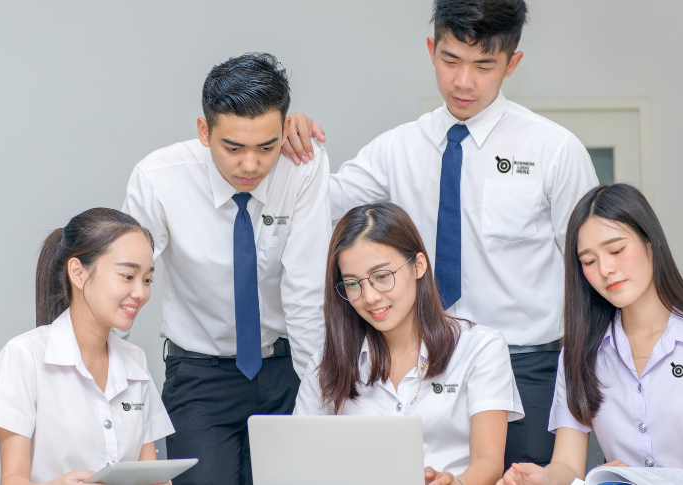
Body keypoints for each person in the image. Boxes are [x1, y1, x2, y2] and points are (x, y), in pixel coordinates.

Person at [281, 0, 598, 467]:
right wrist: (289, 144)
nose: (463, 81)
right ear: (431, 50)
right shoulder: (398, 148)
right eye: (450, 61)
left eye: (483, 65)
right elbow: (317, 204)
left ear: (513, 64)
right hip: (431, 365)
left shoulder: (554, 150)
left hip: (529, 366)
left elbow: (588, 265)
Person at [122, 53, 331, 485]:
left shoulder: (303, 168)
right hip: (199, 375)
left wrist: (321, 399)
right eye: (233, 148)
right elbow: (123, 281)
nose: (250, 165)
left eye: (266, 146)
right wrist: (101, 383)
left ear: (284, 128)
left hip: (283, 368)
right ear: (204, 131)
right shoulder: (159, 178)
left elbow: (306, 290)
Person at [499, 184, 683, 485]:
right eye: (589, 261)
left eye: (616, 250)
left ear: (651, 242)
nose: (605, 269)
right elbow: (567, 465)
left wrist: (651, 482)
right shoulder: (578, 356)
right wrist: (544, 478)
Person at [294, 202, 523, 485]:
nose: (370, 297)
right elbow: (299, 464)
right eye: (353, 284)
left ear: (418, 265)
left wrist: (457, 483)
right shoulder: (325, 362)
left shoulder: (480, 348)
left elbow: (488, 461)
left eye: (381, 277)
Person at [0, 208, 174, 485]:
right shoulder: (23, 357)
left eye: (147, 279)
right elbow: (12, 479)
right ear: (78, 273)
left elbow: (149, 475)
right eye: (128, 276)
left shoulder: (135, 361)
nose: (141, 293)